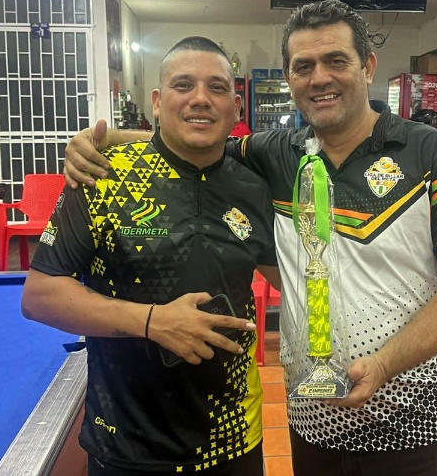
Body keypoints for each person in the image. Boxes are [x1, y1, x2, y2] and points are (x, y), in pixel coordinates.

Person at [63, 0, 437, 476]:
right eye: (303, 66)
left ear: (367, 66)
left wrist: (382, 365)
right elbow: (198, 140)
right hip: (314, 419)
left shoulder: (434, 154)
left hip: (413, 418)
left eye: (336, 60)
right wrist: (101, 140)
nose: (319, 78)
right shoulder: (276, 153)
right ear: (290, 78)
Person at [22, 36, 280, 476]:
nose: (201, 98)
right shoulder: (104, 174)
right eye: (184, 85)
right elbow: (40, 296)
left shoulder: (255, 187)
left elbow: (292, 280)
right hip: (125, 444)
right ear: (158, 102)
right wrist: (152, 322)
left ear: (236, 108)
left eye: (217, 87)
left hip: (234, 440)